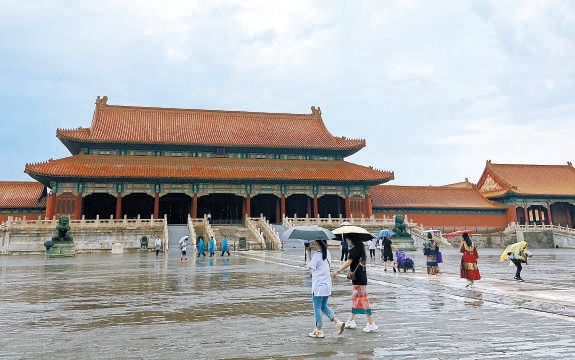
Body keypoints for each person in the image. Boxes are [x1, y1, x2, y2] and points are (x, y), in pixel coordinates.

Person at [333, 236, 378, 333]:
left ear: (351, 240)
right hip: (361, 278)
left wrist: (338, 271)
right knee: (355, 299)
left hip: (358, 280)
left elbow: (348, 263)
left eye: (347, 239)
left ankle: (371, 323)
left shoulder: (353, 250)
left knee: (364, 301)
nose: (346, 240)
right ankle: (351, 321)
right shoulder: (362, 250)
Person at [306, 239, 346, 338]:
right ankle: (338, 323)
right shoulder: (327, 253)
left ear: (318, 243)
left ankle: (319, 329)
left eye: (315, 241)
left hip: (318, 286)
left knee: (317, 308)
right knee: (323, 306)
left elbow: (309, 267)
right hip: (327, 285)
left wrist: (307, 252)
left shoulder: (316, 255)